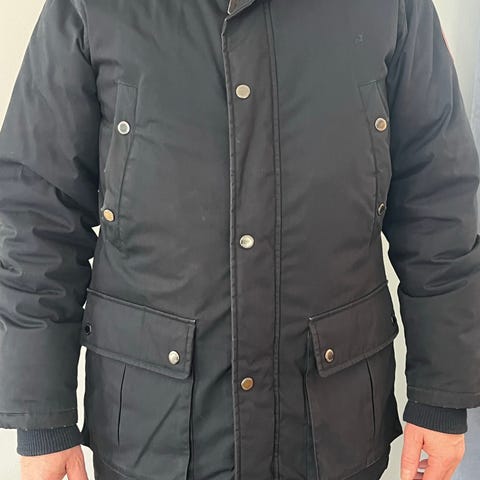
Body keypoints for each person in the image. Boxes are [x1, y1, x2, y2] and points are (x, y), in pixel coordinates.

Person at [0, 0, 479, 479]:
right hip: (153, 434)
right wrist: (42, 417)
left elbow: (437, 197)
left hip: (331, 430)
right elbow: (39, 210)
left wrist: (441, 395)